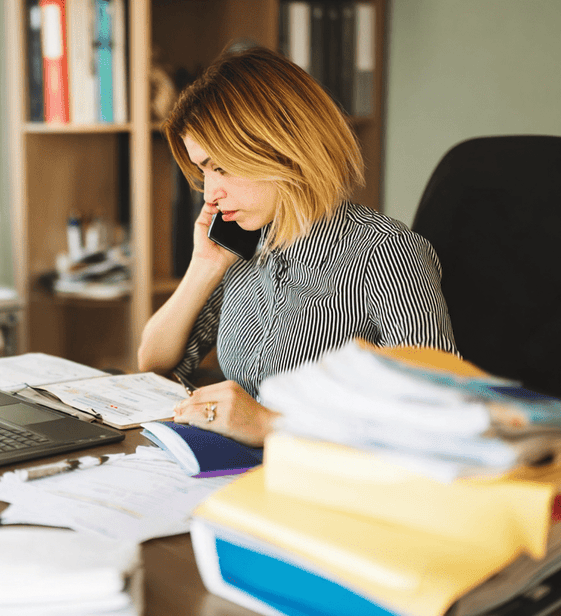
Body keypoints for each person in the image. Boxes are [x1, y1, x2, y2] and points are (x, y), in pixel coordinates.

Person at [137, 46, 457, 447]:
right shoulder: (246, 245)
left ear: (284, 148)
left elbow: (435, 412)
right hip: (233, 472)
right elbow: (153, 362)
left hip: (326, 485)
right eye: (203, 171)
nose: (210, 195)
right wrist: (205, 265)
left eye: (222, 167)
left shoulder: (385, 252)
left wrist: (271, 424)